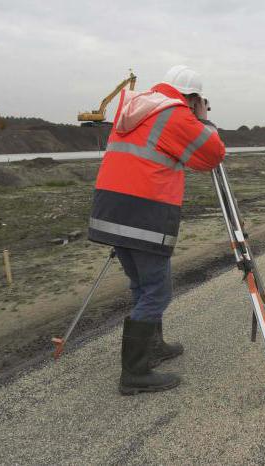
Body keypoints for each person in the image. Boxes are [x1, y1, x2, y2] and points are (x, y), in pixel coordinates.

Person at [87, 65, 226, 395]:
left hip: (111, 209)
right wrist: (203, 119)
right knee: (157, 291)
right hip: (144, 214)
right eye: (199, 102)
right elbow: (212, 154)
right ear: (192, 98)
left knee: (142, 285)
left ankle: (153, 346)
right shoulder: (174, 114)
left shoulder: (137, 107)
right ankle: (134, 372)